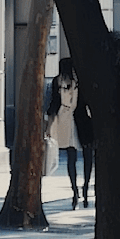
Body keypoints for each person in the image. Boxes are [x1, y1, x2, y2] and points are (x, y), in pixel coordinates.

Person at [46, 58, 94, 209]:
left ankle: (81, 189)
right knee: (79, 155)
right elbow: (54, 103)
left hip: (76, 119)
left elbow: (54, 105)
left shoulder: (74, 82)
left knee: (76, 156)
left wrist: (49, 125)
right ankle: (78, 190)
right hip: (71, 119)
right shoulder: (61, 82)